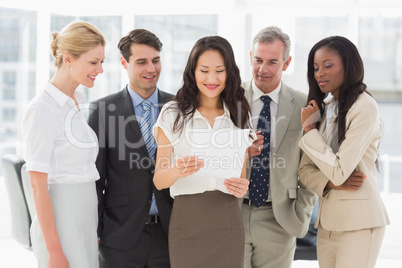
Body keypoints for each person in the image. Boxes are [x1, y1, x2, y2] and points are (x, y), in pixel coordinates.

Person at [152, 36, 253, 268]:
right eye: (204, 70)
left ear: (229, 73)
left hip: (227, 218)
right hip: (188, 220)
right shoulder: (172, 113)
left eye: (219, 70)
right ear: (192, 72)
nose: (211, 78)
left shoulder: (239, 113)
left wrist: (242, 187)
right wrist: (178, 169)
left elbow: (240, 179)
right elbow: (159, 180)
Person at [298, 35, 390, 268]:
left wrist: (309, 129)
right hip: (328, 224)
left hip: (358, 224)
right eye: (316, 67)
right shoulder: (325, 108)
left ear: (349, 66)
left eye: (328, 65)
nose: (319, 73)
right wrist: (330, 184)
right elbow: (305, 170)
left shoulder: (364, 106)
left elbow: (339, 170)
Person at [87, 29, 174, 268]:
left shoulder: (178, 107)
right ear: (124, 63)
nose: (151, 69)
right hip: (119, 238)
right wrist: (94, 234)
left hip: (171, 235)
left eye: (156, 60)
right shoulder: (102, 111)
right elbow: (95, 180)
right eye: (142, 62)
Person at [23, 21, 105, 267]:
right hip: (62, 218)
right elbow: (37, 185)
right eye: (93, 62)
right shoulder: (43, 108)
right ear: (67, 59)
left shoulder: (76, 102)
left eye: (102, 61)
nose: (100, 69)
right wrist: (54, 251)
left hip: (84, 216)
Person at [239, 26, 317, 268]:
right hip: (234, 213)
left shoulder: (304, 104)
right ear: (250, 58)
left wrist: (300, 212)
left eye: (272, 61)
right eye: (258, 60)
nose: (263, 69)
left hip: (279, 217)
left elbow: (312, 163)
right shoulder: (229, 97)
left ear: (286, 62)